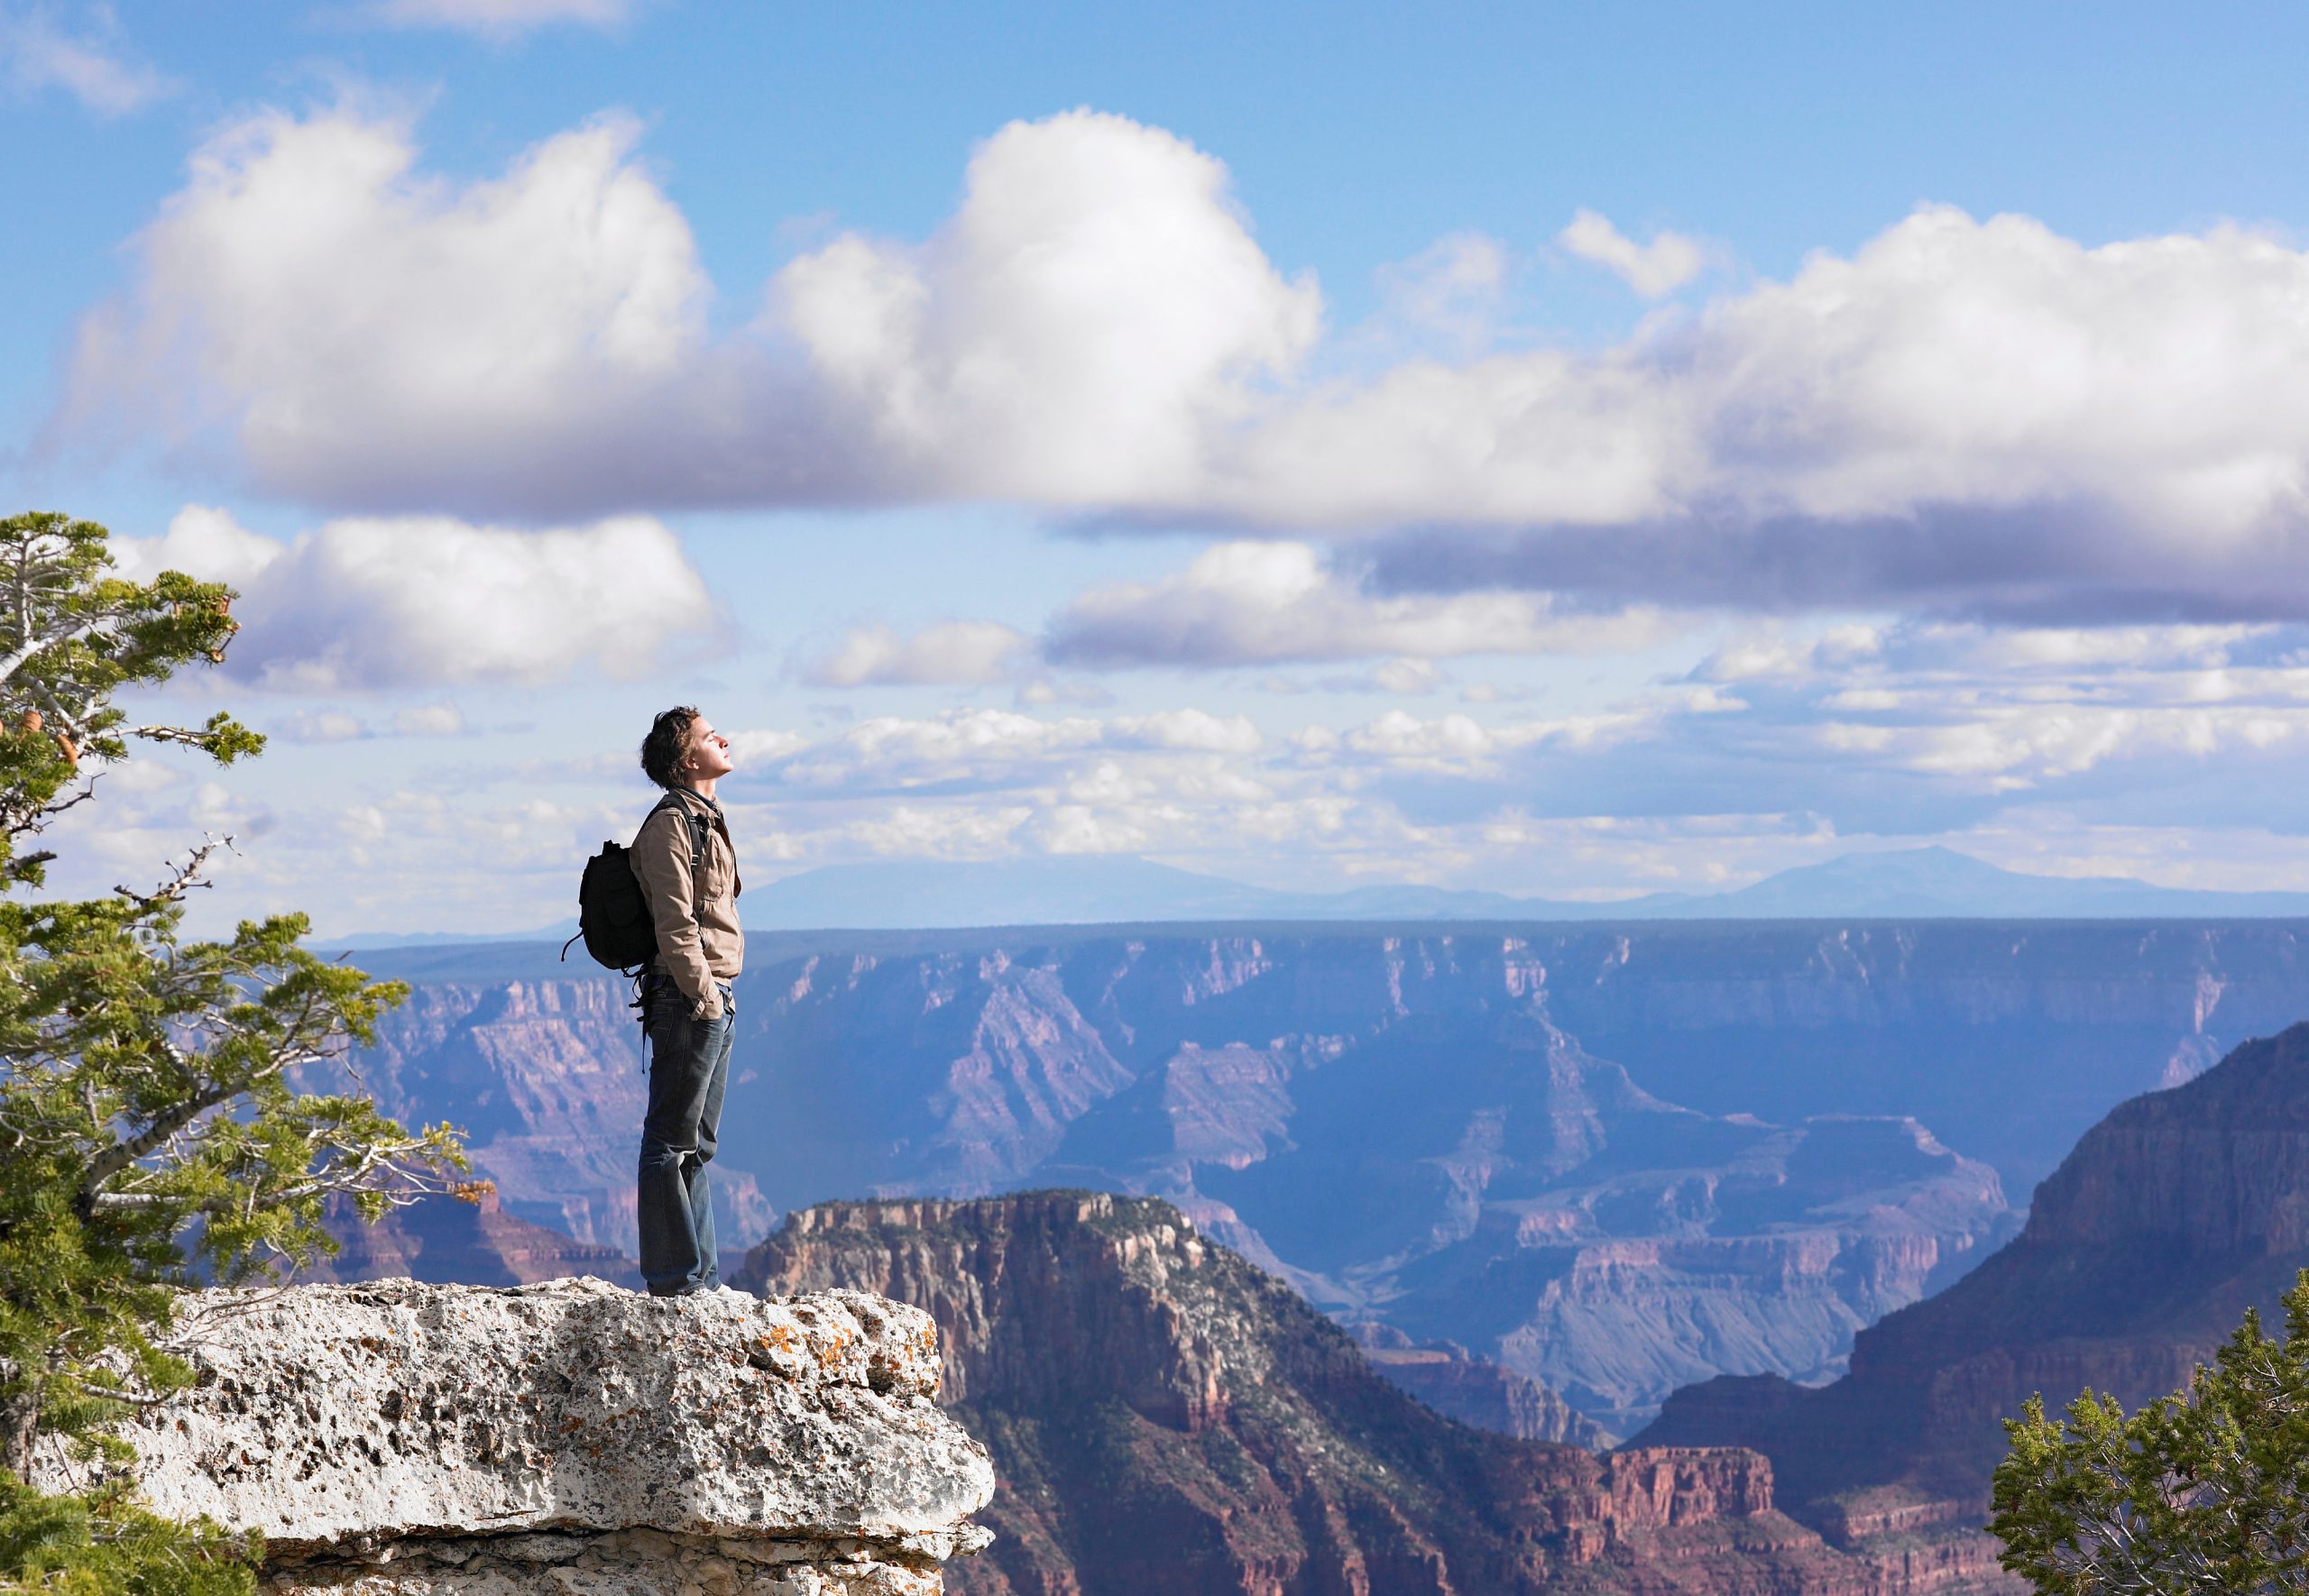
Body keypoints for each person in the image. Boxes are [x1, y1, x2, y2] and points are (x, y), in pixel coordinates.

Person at [631, 706, 741, 1296]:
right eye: (708, 735)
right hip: (690, 998)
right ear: (686, 758)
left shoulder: (705, 818)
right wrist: (704, 998)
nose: (723, 738)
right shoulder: (672, 825)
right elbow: (675, 926)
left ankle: (703, 1277)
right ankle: (676, 1281)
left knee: (697, 1145)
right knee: (669, 1143)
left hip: (713, 993)